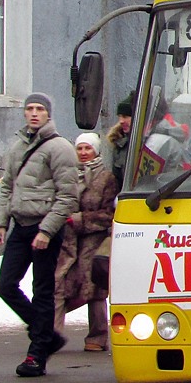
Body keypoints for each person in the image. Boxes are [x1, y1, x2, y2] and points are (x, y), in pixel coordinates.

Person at [0, 92, 79, 377]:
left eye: (39, 109)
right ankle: (47, 334)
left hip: (46, 228)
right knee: (5, 286)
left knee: (42, 290)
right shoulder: (18, 146)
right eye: (29, 108)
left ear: (48, 114)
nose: (33, 113)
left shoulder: (60, 147)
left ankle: (37, 354)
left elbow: (67, 196)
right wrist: (0, 223)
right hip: (20, 225)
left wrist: (46, 230)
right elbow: (7, 187)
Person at [54, 133, 118, 351]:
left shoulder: (106, 178)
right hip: (68, 241)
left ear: (96, 151)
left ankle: (97, 338)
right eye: (79, 148)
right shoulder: (67, 174)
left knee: (95, 290)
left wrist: (80, 219)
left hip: (93, 240)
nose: (83, 153)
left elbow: (109, 213)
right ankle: (51, 336)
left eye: (87, 149)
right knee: (59, 285)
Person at [105, 94, 133, 188]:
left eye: (125, 116)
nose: (121, 121)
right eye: (119, 116)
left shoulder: (152, 142)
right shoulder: (119, 145)